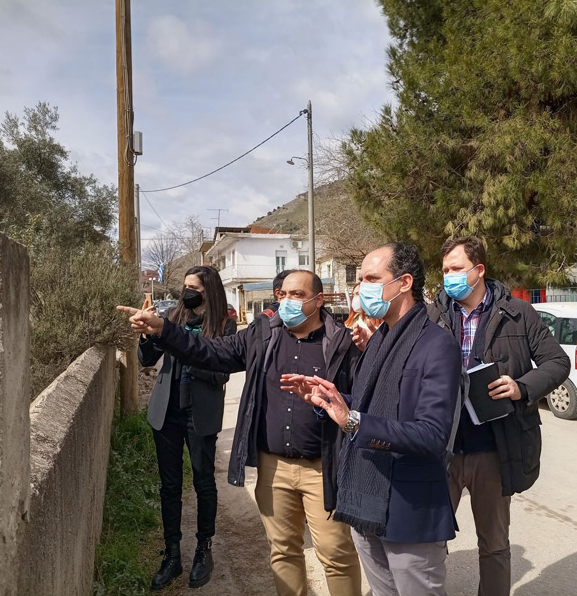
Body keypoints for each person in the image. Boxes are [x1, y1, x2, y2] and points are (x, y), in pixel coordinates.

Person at [120, 270, 362, 596]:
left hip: (323, 467)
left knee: (335, 553)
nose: (287, 302)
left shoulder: (343, 343)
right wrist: (163, 328)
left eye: (298, 295)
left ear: (319, 300)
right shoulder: (261, 335)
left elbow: (363, 400)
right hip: (273, 467)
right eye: (283, 295)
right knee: (283, 551)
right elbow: (209, 351)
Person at [283, 242, 462, 596]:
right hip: (364, 502)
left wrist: (352, 421)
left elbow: (432, 435)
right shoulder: (379, 338)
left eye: (371, 278)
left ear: (405, 282)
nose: (362, 287)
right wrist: (330, 400)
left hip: (408, 512)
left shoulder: (436, 345)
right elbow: (371, 405)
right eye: (361, 279)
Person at [427, 236, 570, 596]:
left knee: (493, 543)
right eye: (445, 270)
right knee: (428, 541)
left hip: (494, 449)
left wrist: (521, 387)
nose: (449, 277)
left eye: (456, 269)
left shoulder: (518, 312)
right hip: (441, 448)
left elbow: (557, 362)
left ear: (479, 270)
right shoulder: (431, 315)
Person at [138, 266, 237, 590]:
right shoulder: (172, 316)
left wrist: (188, 349)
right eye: (185, 287)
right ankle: (172, 554)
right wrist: (147, 334)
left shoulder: (224, 324)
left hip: (200, 412)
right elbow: (146, 359)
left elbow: (221, 373)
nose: (187, 292)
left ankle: (203, 549)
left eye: (194, 287)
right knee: (169, 486)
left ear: (209, 290)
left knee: (203, 482)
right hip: (167, 411)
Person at [344, 282, 382, 351]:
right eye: (353, 295)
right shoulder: (351, 321)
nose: (355, 298)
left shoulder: (383, 323)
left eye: (358, 294)